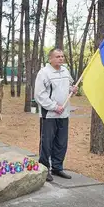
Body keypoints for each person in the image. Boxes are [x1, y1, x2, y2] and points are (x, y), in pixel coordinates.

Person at [34, 48, 77, 182]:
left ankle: (57, 168)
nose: (61, 59)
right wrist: (54, 107)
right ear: (50, 59)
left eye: (62, 56)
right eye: (57, 56)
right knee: (47, 143)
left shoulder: (65, 71)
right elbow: (39, 95)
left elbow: (68, 87)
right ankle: (44, 169)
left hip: (63, 114)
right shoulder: (44, 73)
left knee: (61, 143)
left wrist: (73, 89)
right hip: (49, 115)